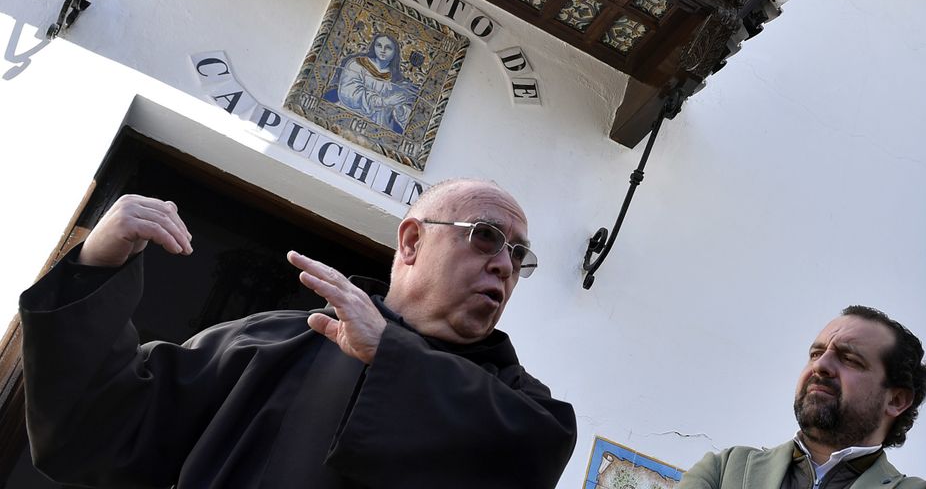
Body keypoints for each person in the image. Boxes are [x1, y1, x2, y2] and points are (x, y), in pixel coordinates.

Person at [20, 179, 577, 488]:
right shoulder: (269, 342)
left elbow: (530, 460)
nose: (504, 264)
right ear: (411, 242)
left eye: (518, 254)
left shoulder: (522, 406)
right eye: (485, 236)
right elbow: (96, 431)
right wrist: (97, 263)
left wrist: (388, 351)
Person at [679, 306, 926, 489]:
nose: (820, 365)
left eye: (849, 359)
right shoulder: (724, 470)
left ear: (896, 400)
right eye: (816, 354)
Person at [331, 32, 418, 132]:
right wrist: (384, 102)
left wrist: (399, 108)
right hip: (349, 118)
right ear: (373, 46)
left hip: (379, 130)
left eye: (388, 48)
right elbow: (349, 93)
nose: (383, 50)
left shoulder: (396, 80)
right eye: (379, 45)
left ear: (395, 52)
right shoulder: (357, 65)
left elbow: (407, 121)